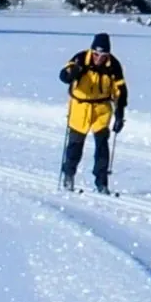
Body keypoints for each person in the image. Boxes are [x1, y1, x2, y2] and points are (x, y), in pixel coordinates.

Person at [57, 33, 127, 193]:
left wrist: (120, 114)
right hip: (80, 107)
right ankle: (68, 174)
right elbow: (63, 76)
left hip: (101, 108)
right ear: (92, 51)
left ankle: (101, 182)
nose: (99, 58)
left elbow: (120, 90)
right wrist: (72, 73)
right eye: (96, 54)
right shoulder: (80, 59)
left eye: (103, 55)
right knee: (75, 144)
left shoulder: (113, 65)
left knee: (102, 145)